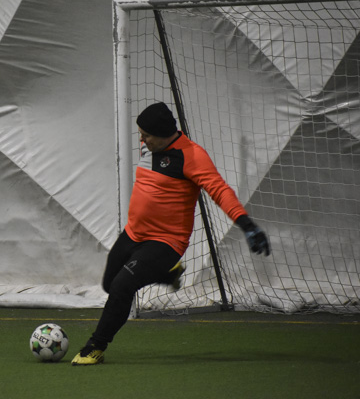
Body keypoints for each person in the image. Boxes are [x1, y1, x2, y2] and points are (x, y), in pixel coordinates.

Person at [71, 102, 270, 366]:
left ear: (164, 133)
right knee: (109, 284)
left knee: (121, 287)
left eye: (146, 135)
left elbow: (220, 191)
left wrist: (247, 225)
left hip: (166, 242)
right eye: (140, 134)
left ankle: (95, 347)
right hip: (133, 234)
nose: (141, 140)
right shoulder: (151, 146)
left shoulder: (192, 156)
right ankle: (168, 275)